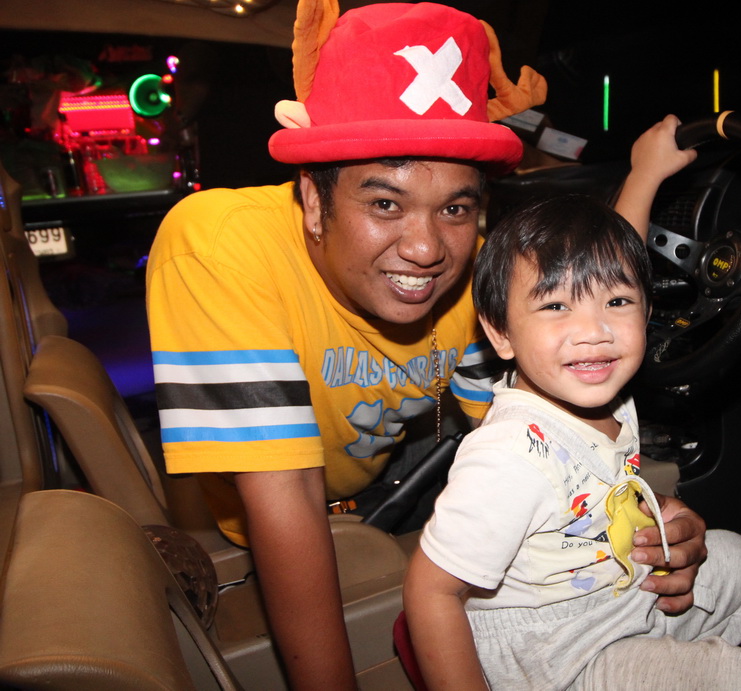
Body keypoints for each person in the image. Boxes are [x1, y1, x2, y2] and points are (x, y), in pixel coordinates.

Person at [146, 2, 706, 689]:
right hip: (280, 503)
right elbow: (285, 489)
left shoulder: (473, 269)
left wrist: (646, 515)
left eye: (455, 207)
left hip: (399, 464)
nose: (425, 248)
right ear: (314, 201)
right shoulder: (221, 243)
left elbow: (574, 342)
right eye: (385, 203)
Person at [402, 193, 741, 690]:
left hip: (610, 599)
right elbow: (431, 591)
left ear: (647, 312)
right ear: (500, 332)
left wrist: (656, 510)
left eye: (617, 301)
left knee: (731, 558)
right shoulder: (507, 455)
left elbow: (581, 495)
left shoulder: (605, 398)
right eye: (555, 306)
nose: (594, 330)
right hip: (557, 660)